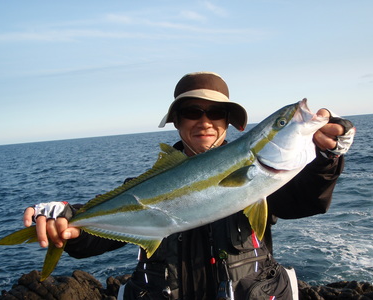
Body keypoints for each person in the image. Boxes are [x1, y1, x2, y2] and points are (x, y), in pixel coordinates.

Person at [23, 72, 355, 300]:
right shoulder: (144, 186)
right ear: (177, 121)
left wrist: (327, 155)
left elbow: (307, 201)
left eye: (216, 112)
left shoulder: (268, 179)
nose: (205, 121)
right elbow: (93, 236)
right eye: (192, 111)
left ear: (228, 120)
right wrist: (68, 220)